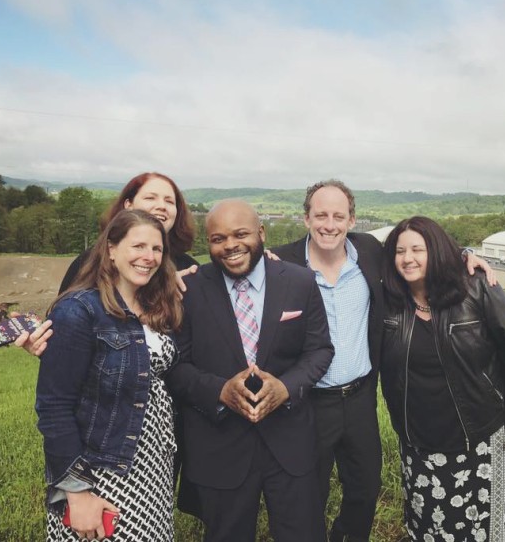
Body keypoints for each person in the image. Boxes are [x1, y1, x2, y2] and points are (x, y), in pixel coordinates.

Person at [273, 180, 499, 542]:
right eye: (320, 215)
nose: (329, 224)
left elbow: (420, 249)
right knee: (308, 492)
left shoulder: (369, 251)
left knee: (365, 487)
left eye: (338, 216)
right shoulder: (280, 261)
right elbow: (232, 263)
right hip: (307, 403)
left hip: (360, 397)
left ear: (352, 220)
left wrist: (464, 253)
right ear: (306, 219)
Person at [166, 199, 335, 542]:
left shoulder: (300, 282)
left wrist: (286, 388)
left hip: (289, 443)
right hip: (220, 444)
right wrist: (218, 392)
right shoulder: (189, 290)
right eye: (218, 238)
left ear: (261, 233)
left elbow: (319, 350)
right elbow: (176, 366)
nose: (230, 245)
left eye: (241, 233)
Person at [379, 216, 505, 542]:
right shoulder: (389, 300)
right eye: (400, 251)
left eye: (417, 249)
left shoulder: (476, 288)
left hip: (480, 432)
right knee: (431, 523)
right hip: (419, 439)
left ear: (435, 251)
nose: (407, 258)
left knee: (488, 525)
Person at [35, 209, 183, 540]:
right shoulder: (79, 310)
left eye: (157, 249)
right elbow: (54, 407)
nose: (149, 257)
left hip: (152, 466)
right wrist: (76, 491)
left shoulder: (156, 307)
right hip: (103, 472)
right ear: (112, 249)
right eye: (138, 246)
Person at [18, 171, 198, 354]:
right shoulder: (88, 263)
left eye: (169, 201)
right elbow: (63, 340)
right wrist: (41, 344)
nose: (161, 206)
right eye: (151, 198)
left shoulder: (187, 268)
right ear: (128, 205)